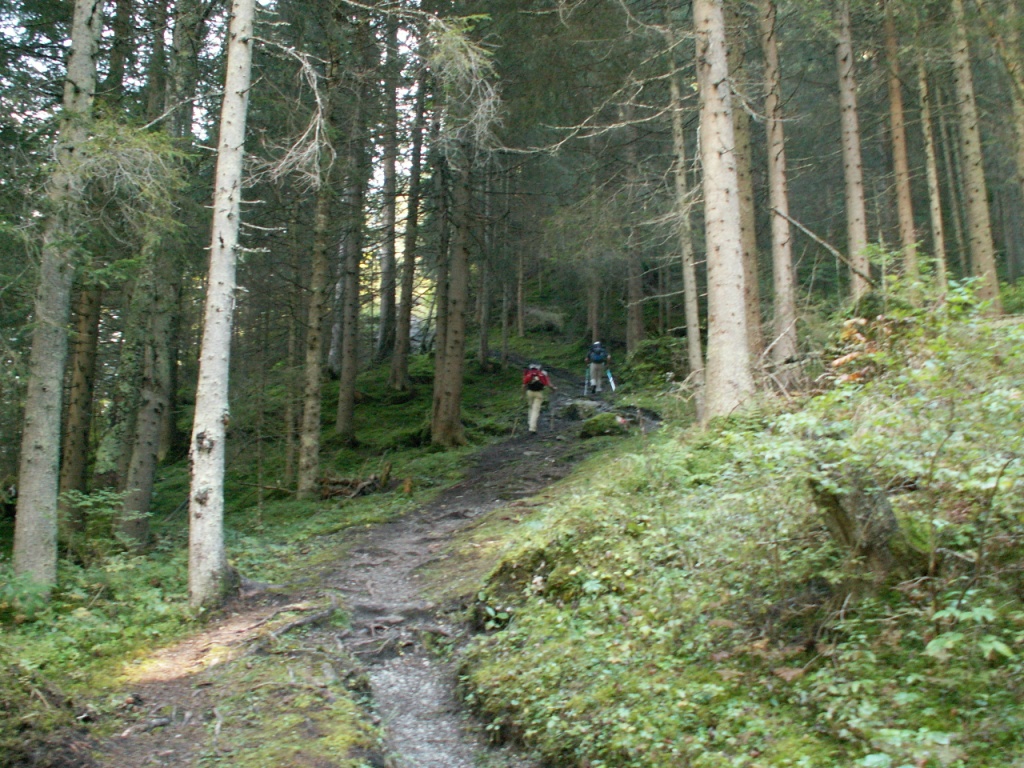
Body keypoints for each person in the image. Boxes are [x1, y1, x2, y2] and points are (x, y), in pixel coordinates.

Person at [522, 363, 556, 435]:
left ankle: (530, 423)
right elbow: (548, 384)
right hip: (538, 393)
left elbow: (524, 384)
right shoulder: (542, 373)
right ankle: (532, 428)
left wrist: (523, 395)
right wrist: (553, 389)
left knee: (530, 408)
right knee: (535, 410)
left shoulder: (528, 373)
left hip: (529, 392)